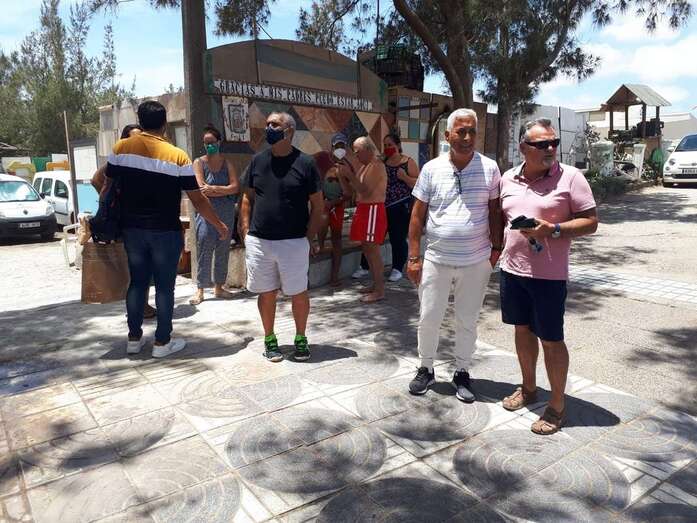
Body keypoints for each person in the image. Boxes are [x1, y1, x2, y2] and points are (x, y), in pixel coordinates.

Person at [103, 101, 229, 358]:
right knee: (164, 287)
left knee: (137, 283)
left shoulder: (121, 148)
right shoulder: (177, 155)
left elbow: (107, 185)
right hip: (165, 231)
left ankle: (133, 339)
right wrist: (219, 223)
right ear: (164, 124)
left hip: (132, 230)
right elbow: (197, 199)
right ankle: (162, 342)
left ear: (140, 121)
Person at [499, 117, 598, 435]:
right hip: (512, 269)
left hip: (549, 277)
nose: (551, 148)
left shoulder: (571, 177)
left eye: (554, 143)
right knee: (522, 330)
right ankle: (528, 388)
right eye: (542, 144)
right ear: (523, 148)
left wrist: (553, 229)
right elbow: (500, 218)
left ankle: (557, 406)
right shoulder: (508, 178)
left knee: (551, 339)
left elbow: (591, 221)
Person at [406, 108, 503, 403]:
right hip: (436, 260)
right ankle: (426, 368)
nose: (467, 137)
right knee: (429, 317)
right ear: (448, 135)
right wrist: (413, 258)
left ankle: (462, 371)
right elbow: (417, 215)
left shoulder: (490, 168)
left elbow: (495, 212)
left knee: (467, 320)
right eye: (461, 131)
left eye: (472, 131)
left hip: (476, 261)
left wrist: (495, 250)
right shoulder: (431, 169)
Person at [238, 112, 323, 362]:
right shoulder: (257, 161)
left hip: (294, 242)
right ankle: (270, 340)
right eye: (267, 124)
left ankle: (300, 339)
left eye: (274, 125)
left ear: (289, 131)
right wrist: (245, 230)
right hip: (260, 241)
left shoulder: (306, 163)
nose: (269, 128)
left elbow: (318, 206)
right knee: (266, 293)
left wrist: (308, 239)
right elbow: (247, 198)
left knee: (299, 292)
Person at [91, 124, 157, 320]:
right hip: (124, 222)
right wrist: (109, 201)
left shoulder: (147, 161)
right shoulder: (118, 161)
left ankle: (141, 304)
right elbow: (96, 179)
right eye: (133, 138)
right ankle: (139, 306)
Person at [189, 125, 240, 305]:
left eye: (212, 142)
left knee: (223, 249)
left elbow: (235, 187)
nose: (209, 145)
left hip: (226, 212)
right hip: (206, 213)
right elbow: (201, 189)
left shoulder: (227, 164)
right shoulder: (199, 163)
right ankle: (200, 289)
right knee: (204, 247)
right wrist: (224, 190)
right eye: (206, 143)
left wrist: (215, 189)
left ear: (219, 142)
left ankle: (219, 286)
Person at [342, 136, 387, 303]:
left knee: (373, 250)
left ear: (368, 150)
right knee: (367, 249)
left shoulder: (376, 165)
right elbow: (353, 192)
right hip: (364, 209)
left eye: (357, 151)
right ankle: (375, 285)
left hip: (373, 208)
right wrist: (342, 176)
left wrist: (349, 175)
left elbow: (366, 191)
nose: (355, 155)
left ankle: (379, 290)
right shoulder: (364, 167)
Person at [317, 134, 354, 286]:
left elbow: (349, 193)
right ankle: (320, 246)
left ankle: (334, 276)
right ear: (331, 147)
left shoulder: (347, 167)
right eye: (337, 146)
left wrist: (334, 202)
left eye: (342, 146)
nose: (340, 149)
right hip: (322, 203)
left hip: (337, 206)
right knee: (322, 221)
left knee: (337, 240)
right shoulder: (322, 160)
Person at [383, 132, 419, 282]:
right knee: (375, 237)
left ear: (398, 145)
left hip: (401, 206)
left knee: (397, 238)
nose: (387, 148)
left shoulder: (408, 162)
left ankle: (397, 267)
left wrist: (404, 177)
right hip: (382, 205)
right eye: (385, 145)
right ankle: (365, 266)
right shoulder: (383, 162)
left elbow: (418, 183)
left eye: (390, 145)